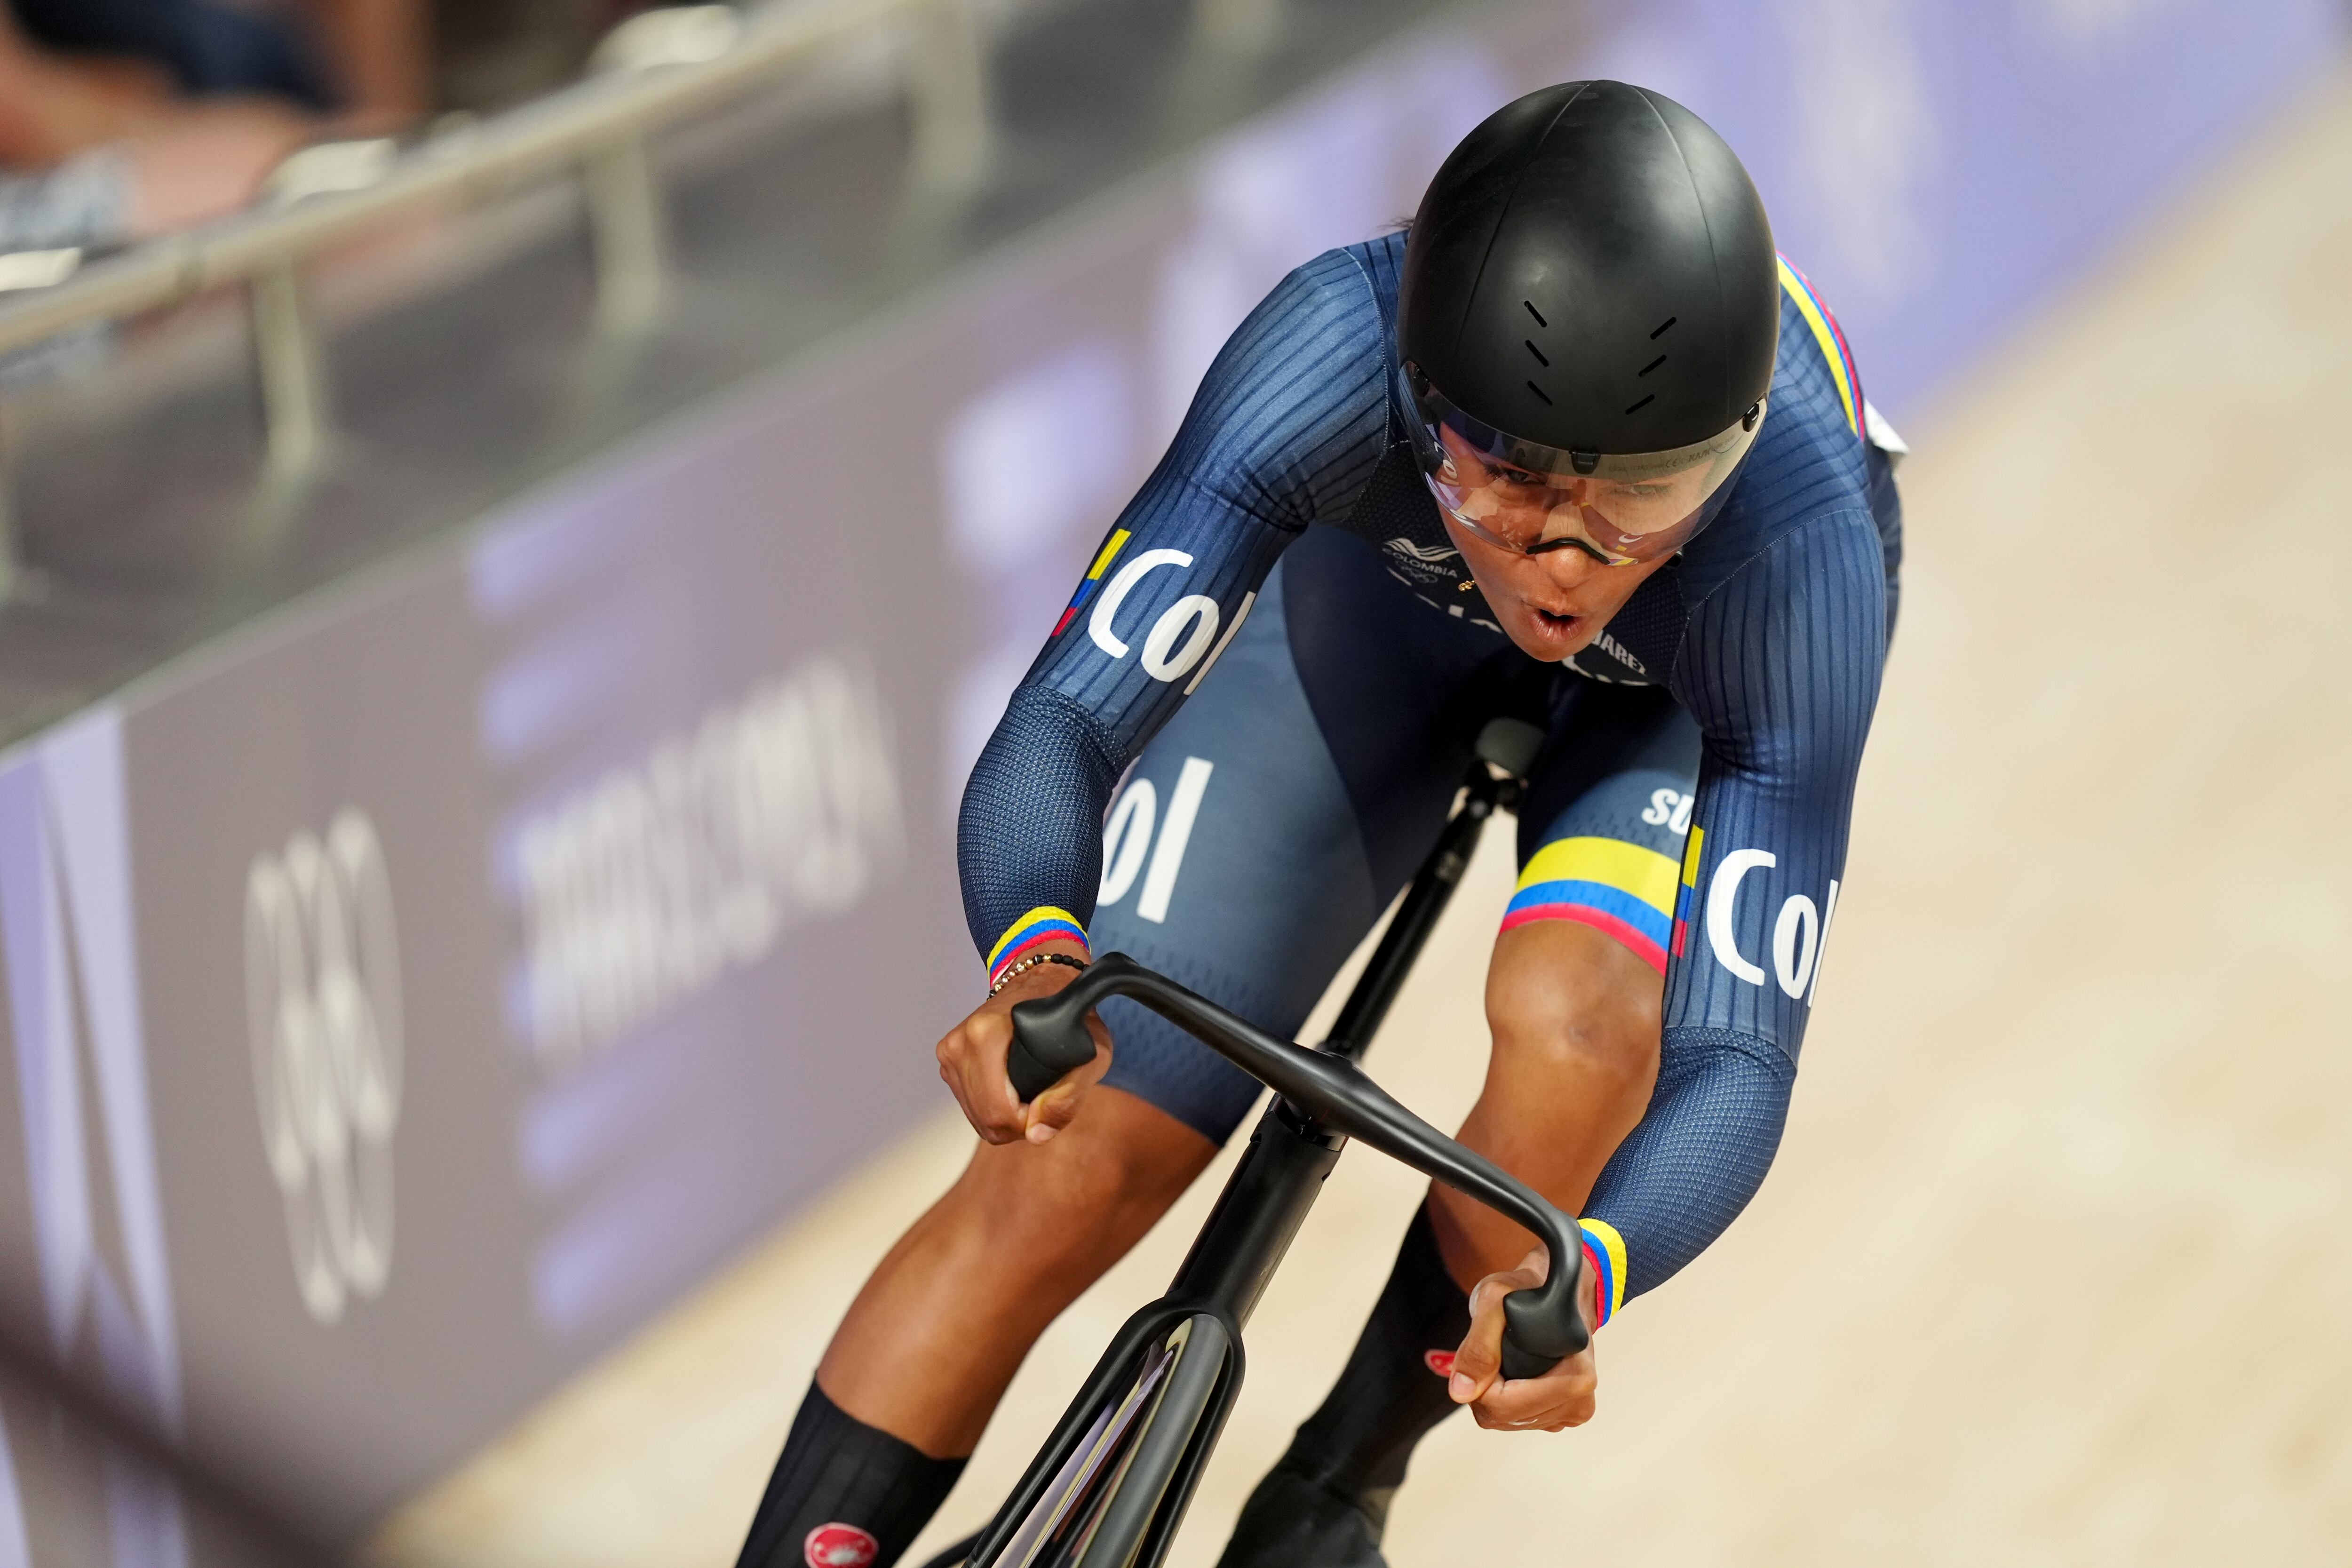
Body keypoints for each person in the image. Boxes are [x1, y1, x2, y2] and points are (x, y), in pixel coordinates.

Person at [736, 79, 1906, 1568]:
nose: (1564, 565)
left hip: (1669, 694)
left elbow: (1740, 1054)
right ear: (1423, 402)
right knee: (1065, 1155)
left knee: (1584, 1029)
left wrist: (1589, 1279)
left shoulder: (1798, 553)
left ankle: (1337, 1484)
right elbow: (1067, 721)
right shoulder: (1328, 352)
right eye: (1512, 480)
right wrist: (1035, 958)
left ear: (1730, 454)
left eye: (1643, 502)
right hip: (1383, 619)